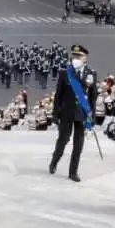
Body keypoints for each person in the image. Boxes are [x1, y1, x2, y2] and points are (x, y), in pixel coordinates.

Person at [49, 44, 97, 182]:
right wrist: (55, 113)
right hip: (67, 112)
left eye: (79, 56)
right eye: (74, 56)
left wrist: (91, 116)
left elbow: (93, 98)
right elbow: (58, 94)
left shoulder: (91, 74)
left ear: (85, 58)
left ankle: (73, 171)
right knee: (63, 140)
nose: (76, 58)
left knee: (78, 144)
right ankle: (54, 162)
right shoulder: (65, 73)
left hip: (82, 113)